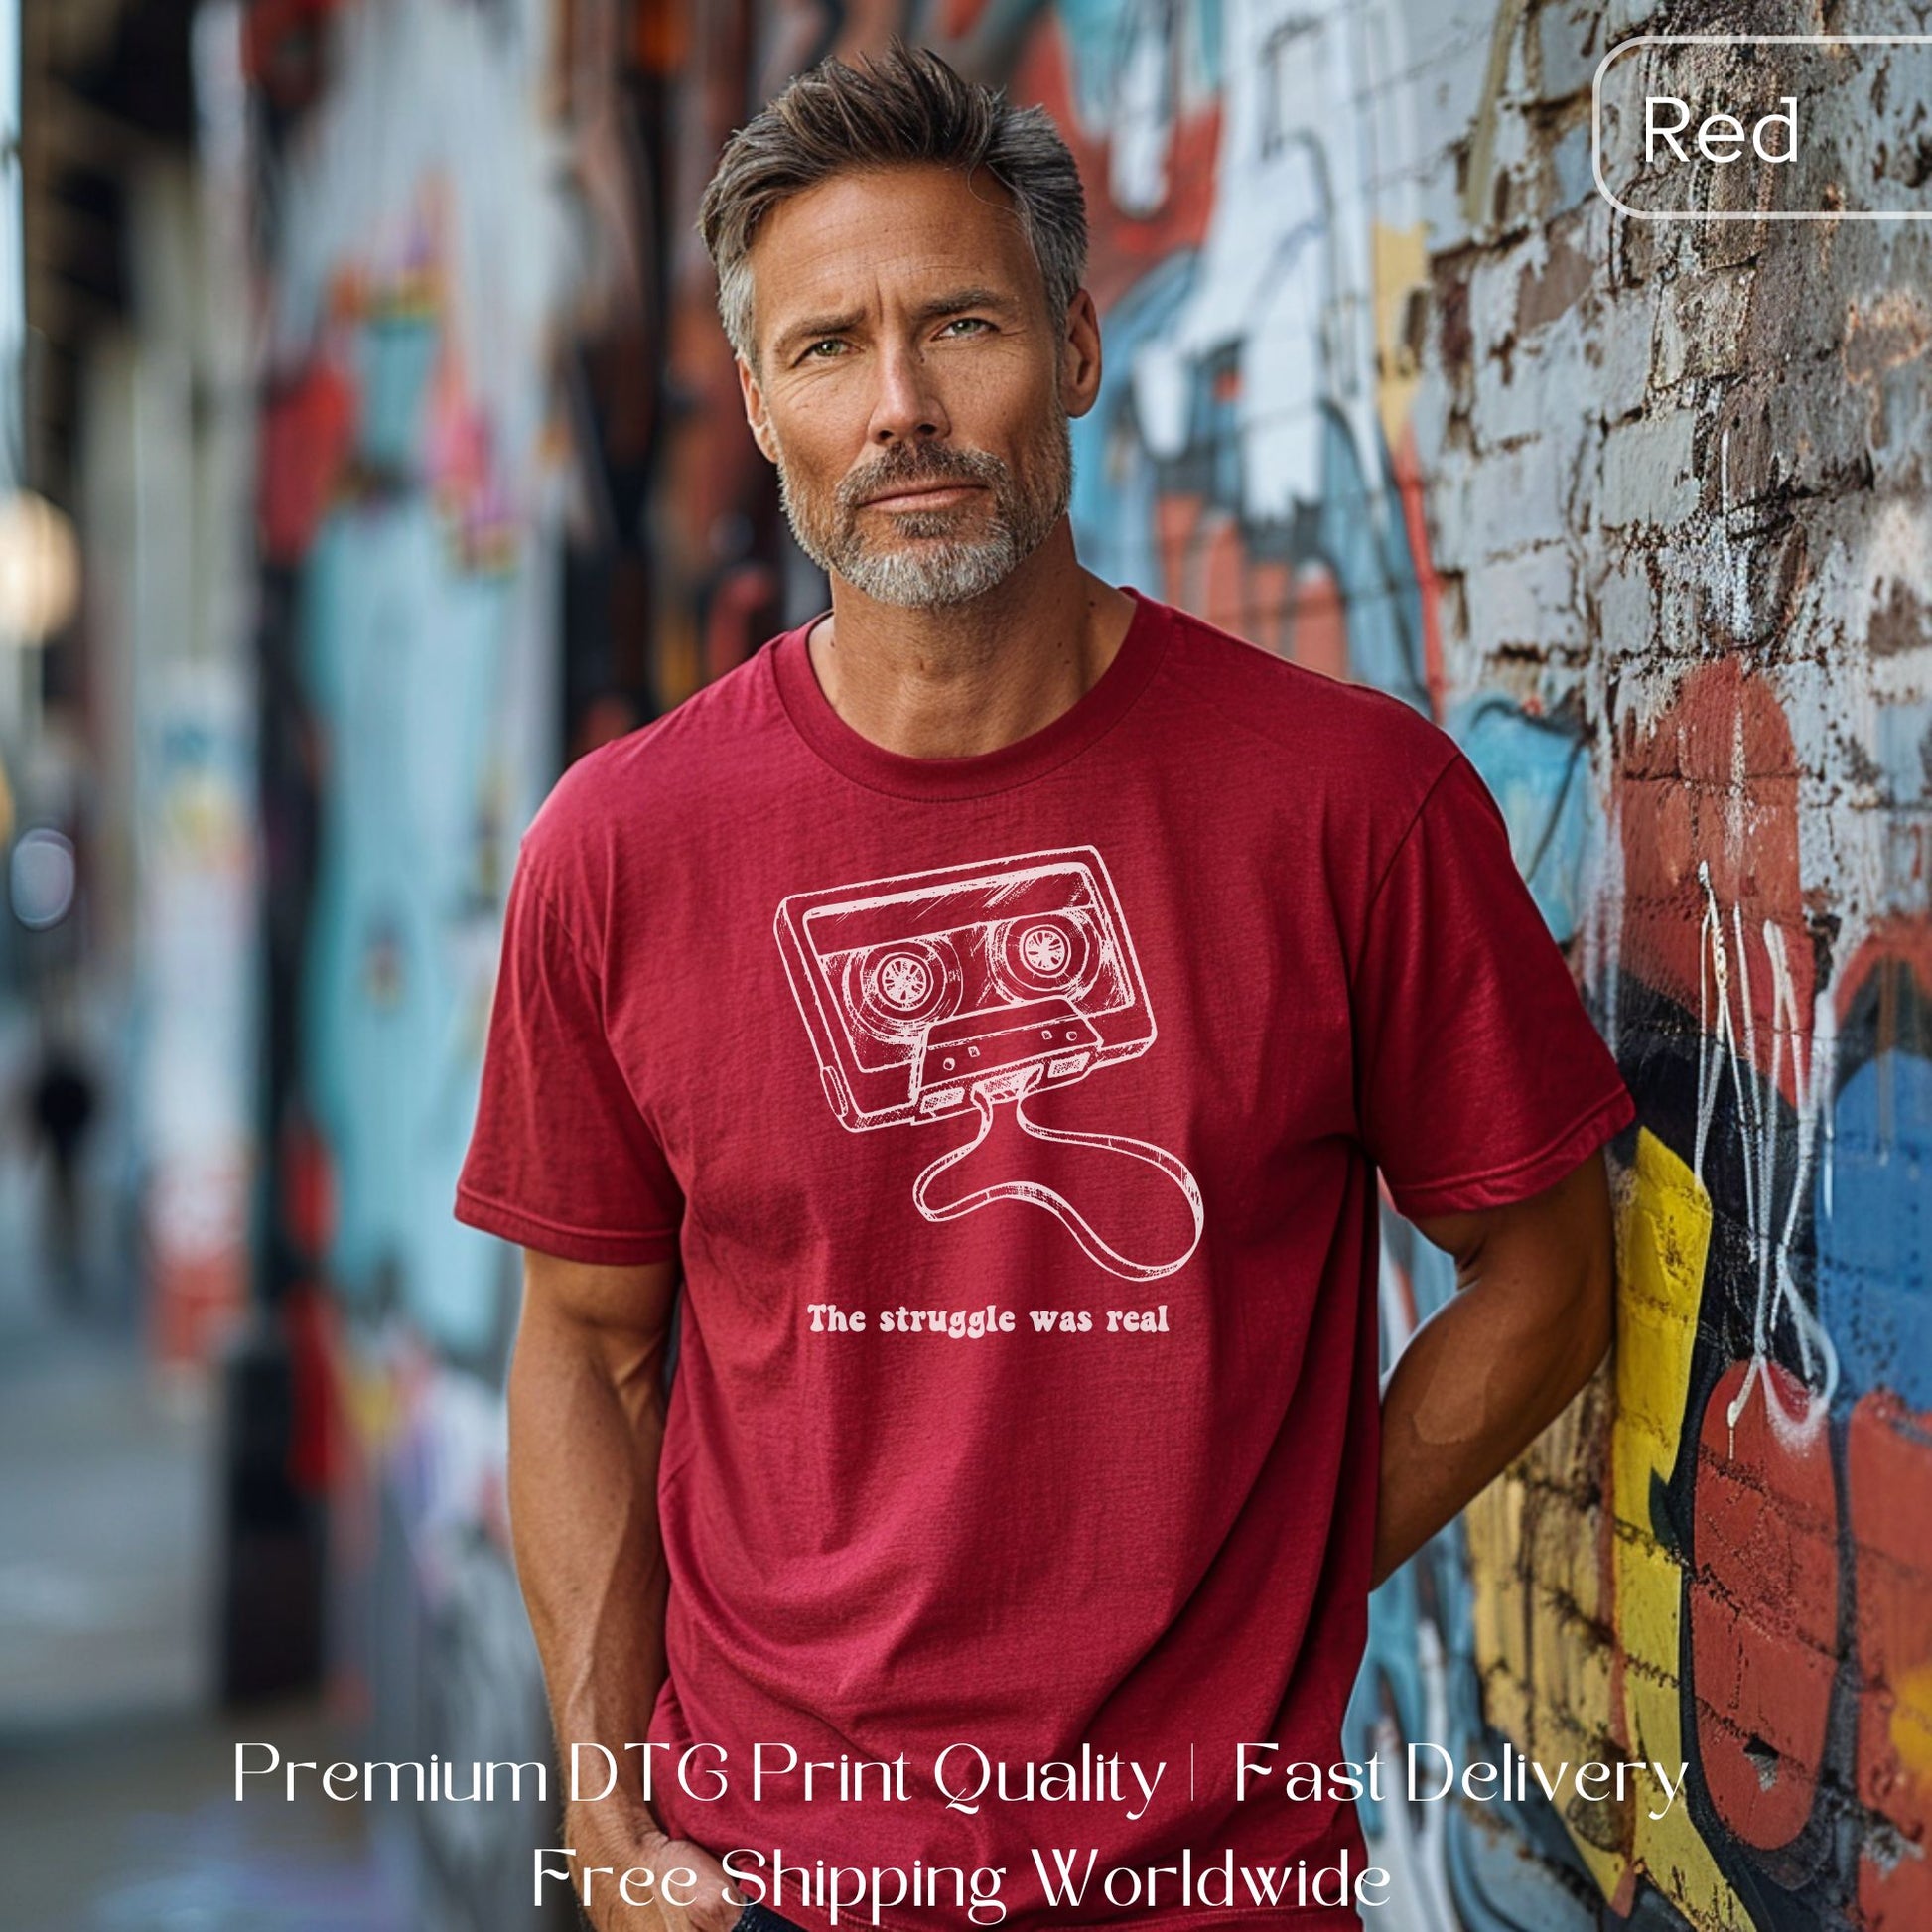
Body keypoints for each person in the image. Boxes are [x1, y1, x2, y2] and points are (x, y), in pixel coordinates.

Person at [456, 42, 1635, 1932]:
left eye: (964, 325)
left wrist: (1288, 1574)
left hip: (1210, 1892)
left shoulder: (1348, 803)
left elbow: (1546, 1269)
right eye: (828, 348)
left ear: (1076, 352)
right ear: (759, 406)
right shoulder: (621, 848)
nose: (902, 406)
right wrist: (606, 1813)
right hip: (767, 1885)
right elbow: (583, 1343)